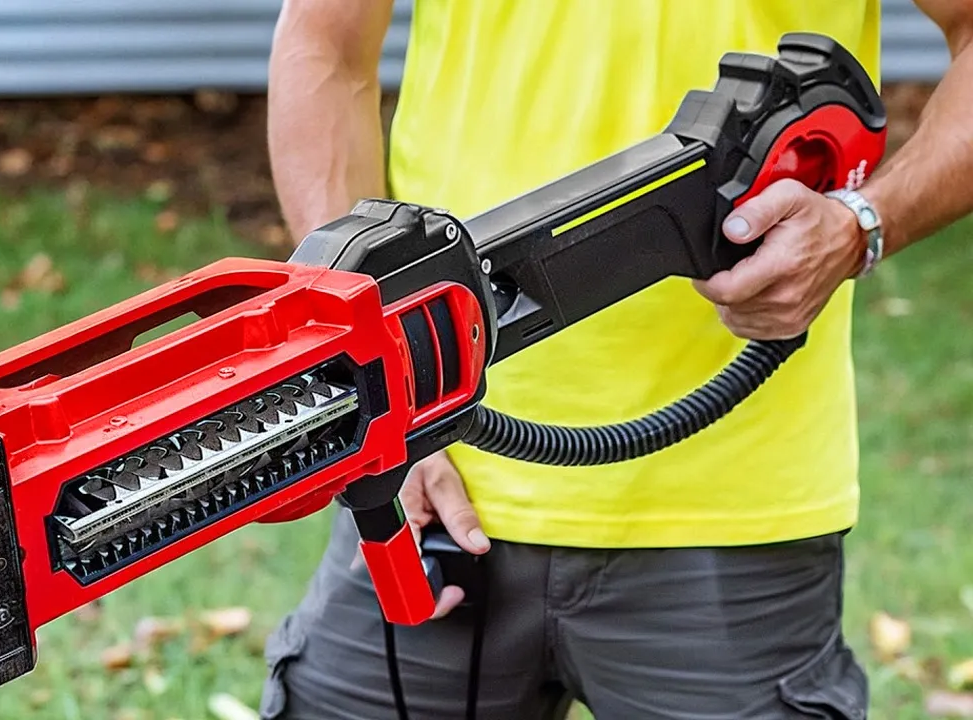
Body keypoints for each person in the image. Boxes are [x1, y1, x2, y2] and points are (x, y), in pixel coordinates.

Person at [260, 1, 973, 718]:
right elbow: (326, 48)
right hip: (429, 481)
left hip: (730, 509)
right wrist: (372, 375)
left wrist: (861, 224)